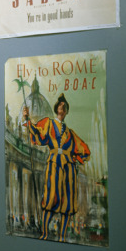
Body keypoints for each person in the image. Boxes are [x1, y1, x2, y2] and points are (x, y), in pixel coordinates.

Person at [22, 94, 90, 242]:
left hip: (69, 169)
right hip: (54, 164)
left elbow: (84, 150)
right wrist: (27, 119)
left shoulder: (70, 133)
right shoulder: (49, 123)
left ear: (66, 112)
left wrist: (75, 158)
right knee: (51, 198)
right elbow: (37, 133)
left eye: (65, 106)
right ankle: (45, 234)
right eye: (60, 105)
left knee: (67, 204)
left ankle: (62, 236)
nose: (62, 107)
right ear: (56, 108)